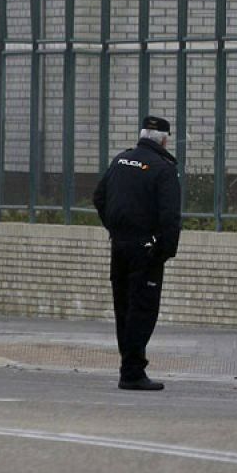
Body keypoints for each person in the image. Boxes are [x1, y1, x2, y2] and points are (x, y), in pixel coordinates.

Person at [93, 115, 182, 391]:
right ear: (165, 139)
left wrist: (117, 230)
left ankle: (128, 366)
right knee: (142, 310)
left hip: (120, 247)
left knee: (124, 308)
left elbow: (99, 197)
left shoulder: (121, 160)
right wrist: (164, 251)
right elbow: (170, 217)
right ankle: (132, 371)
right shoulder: (163, 168)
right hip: (146, 251)